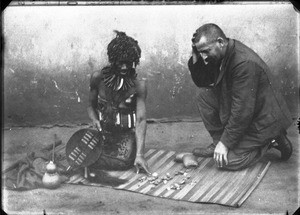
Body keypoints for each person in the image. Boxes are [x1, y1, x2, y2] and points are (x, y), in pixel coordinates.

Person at [188, 23, 293, 171]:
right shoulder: (222, 51)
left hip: (263, 119)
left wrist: (226, 144)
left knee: (227, 161)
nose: (204, 57)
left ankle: (272, 138)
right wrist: (195, 54)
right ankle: (219, 142)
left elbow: (242, 112)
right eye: (201, 52)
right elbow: (202, 82)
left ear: (220, 42)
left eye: (206, 51)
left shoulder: (244, 63)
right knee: (203, 94)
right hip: (247, 110)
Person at [86, 30, 150, 174]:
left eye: (129, 64)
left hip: (125, 134)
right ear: (112, 60)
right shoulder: (98, 78)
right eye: (120, 63)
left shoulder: (139, 85)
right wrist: (95, 120)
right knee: (82, 152)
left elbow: (140, 120)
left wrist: (139, 155)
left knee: (123, 162)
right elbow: (90, 106)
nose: (124, 68)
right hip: (103, 131)